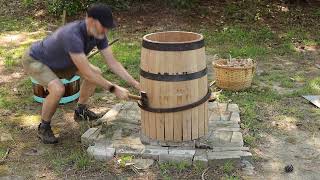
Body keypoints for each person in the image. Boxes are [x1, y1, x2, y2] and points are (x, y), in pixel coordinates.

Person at [22, 3, 140, 144]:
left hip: (65, 61)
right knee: (58, 88)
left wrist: (135, 83)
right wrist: (114, 89)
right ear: (90, 20)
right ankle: (44, 127)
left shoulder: (98, 33)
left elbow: (112, 63)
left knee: (96, 72)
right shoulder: (72, 35)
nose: (106, 30)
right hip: (37, 60)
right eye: (104, 25)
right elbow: (87, 73)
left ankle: (80, 111)